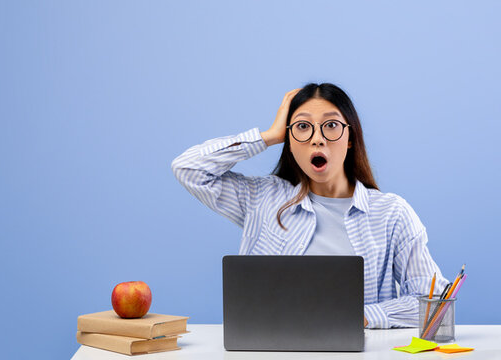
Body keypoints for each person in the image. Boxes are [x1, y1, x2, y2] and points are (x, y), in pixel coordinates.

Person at [171, 83, 449, 329]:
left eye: (331, 125)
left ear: (350, 138)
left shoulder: (391, 213)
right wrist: (268, 136)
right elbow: (188, 168)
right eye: (302, 127)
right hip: (270, 350)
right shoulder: (262, 198)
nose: (317, 138)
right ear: (290, 142)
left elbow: (435, 303)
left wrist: (362, 317)